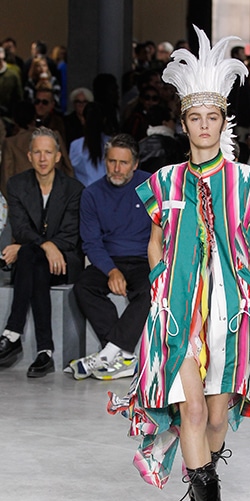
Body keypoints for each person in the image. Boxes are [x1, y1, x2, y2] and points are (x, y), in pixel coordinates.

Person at [106, 25, 250, 501]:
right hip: (179, 311)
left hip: (230, 311)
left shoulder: (247, 180)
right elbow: (155, 239)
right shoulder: (165, 180)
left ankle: (200, 477)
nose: (204, 125)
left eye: (213, 117)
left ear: (222, 121)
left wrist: (249, 283)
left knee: (216, 418)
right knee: (190, 410)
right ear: (185, 122)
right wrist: (161, 279)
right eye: (195, 117)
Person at [0, 127, 84, 376]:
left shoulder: (74, 189)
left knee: (28, 255)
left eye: (48, 152)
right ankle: (45, 351)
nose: (43, 158)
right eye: (37, 152)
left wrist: (29, 247)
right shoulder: (17, 185)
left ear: (58, 156)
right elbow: (21, 228)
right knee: (33, 261)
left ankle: (12, 333)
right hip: (35, 261)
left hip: (63, 261)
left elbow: (69, 236)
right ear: (29, 156)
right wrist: (45, 245)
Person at [67, 134, 152, 380]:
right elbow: (91, 242)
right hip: (109, 259)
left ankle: (110, 352)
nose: (117, 168)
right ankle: (123, 356)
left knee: (151, 289)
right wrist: (111, 270)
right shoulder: (92, 194)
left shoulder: (150, 187)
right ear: (105, 161)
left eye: (123, 163)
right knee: (83, 286)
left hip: (143, 259)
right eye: (112, 161)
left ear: (135, 164)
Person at [69, 102, 110, 186]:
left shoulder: (76, 145)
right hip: (107, 191)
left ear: (83, 120)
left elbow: (71, 172)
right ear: (104, 120)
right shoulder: (112, 143)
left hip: (83, 191)